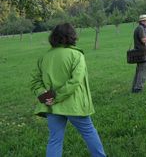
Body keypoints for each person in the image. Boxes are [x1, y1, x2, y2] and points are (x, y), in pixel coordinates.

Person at [31, 23, 106, 157]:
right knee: (89, 132)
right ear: (72, 36)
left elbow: (36, 82)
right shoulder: (77, 55)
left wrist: (45, 95)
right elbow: (75, 81)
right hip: (74, 105)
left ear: (53, 37)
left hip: (52, 107)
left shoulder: (44, 57)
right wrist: (55, 96)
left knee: (55, 139)